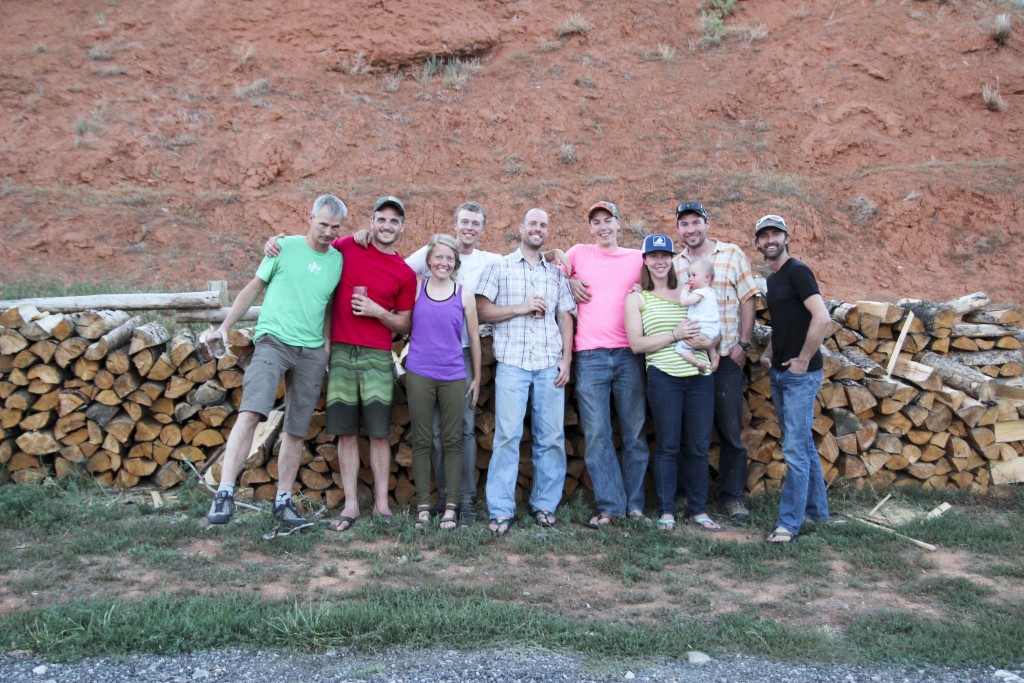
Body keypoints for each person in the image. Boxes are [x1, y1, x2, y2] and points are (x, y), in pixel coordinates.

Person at [264, 196, 417, 532]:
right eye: (382, 219)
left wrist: (378, 312)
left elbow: (405, 325)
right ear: (372, 222)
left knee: (379, 433)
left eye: (394, 221)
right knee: (346, 433)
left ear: (403, 228)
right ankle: (350, 505)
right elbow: (312, 240)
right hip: (343, 353)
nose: (387, 226)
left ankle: (381, 504)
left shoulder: (405, 273)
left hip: (378, 355)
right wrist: (274, 242)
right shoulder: (347, 246)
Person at [207, 195, 345, 529]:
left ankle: (282, 500)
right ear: (308, 216)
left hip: (311, 350)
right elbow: (253, 288)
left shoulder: (338, 260)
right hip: (273, 341)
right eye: (323, 223)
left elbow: (327, 304)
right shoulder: (283, 247)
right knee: (252, 411)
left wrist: (325, 345)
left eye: (335, 227)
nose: (327, 232)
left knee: (297, 428)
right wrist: (224, 327)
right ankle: (225, 492)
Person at [475, 207, 576, 535]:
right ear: (520, 228)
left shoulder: (556, 274)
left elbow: (565, 316)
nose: (537, 229)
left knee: (552, 438)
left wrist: (567, 359)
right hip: (513, 365)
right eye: (532, 223)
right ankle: (501, 510)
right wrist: (521, 307)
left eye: (543, 225)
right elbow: (481, 310)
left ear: (547, 232)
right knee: (507, 437)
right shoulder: (500, 267)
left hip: (549, 363)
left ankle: (545, 505)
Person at [400, 202, 501, 520]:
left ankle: (465, 500)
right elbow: (399, 272)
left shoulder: (488, 260)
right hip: (426, 357)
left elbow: (518, 260)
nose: (470, 227)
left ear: (483, 229)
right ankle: (443, 498)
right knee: (432, 432)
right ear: (456, 224)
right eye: (465, 221)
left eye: (476, 223)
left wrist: (555, 257)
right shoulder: (432, 251)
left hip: (460, 357)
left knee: (466, 429)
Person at [560, 201, 649, 529]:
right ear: (591, 228)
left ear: (619, 223)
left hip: (629, 354)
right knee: (597, 434)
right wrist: (568, 282)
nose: (603, 227)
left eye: (608, 220)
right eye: (596, 222)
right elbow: (550, 267)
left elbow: (661, 285)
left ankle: (635, 505)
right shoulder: (578, 254)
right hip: (590, 356)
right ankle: (611, 505)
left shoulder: (637, 258)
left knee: (635, 432)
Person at [624, 234, 720, 532]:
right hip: (664, 378)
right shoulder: (637, 297)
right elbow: (637, 345)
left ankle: (698, 509)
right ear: (645, 261)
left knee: (698, 445)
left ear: (672, 259)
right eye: (653, 256)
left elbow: (710, 323)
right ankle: (667, 510)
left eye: (665, 255)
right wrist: (674, 336)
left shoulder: (689, 290)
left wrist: (713, 345)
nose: (660, 261)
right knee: (667, 445)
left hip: (699, 376)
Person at [672, 201, 759, 522]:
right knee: (685, 428)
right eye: (684, 224)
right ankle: (684, 494)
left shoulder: (731, 255)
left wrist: (744, 343)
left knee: (729, 429)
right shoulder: (676, 264)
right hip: (690, 358)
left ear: (707, 223)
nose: (691, 229)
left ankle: (732, 496)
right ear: (678, 229)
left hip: (726, 357)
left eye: (696, 222)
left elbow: (748, 298)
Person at [755, 214, 830, 544]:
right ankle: (817, 512)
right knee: (803, 447)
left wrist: (802, 359)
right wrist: (771, 350)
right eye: (764, 235)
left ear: (787, 237)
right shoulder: (774, 278)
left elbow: (822, 317)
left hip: (800, 375)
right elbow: (787, 322)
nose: (770, 239)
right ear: (758, 243)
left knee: (795, 450)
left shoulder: (798, 272)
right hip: (781, 372)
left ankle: (789, 523)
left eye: (775, 233)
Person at [406, 234, 482, 532]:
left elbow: (474, 338)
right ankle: (423, 506)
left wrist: (476, 377)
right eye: (438, 257)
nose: (443, 263)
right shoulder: (416, 288)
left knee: (453, 441)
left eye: (449, 259)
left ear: (456, 263)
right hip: (419, 373)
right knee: (423, 441)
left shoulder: (464, 294)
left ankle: (451, 507)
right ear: (428, 260)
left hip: (453, 375)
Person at [674, 258, 720, 374]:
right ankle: (714, 357)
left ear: (707, 277)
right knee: (709, 345)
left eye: (694, 275)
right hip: (712, 329)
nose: (690, 279)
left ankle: (698, 363)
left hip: (700, 329)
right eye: (688, 275)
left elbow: (685, 302)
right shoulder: (711, 292)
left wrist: (684, 290)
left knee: (680, 348)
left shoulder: (700, 293)